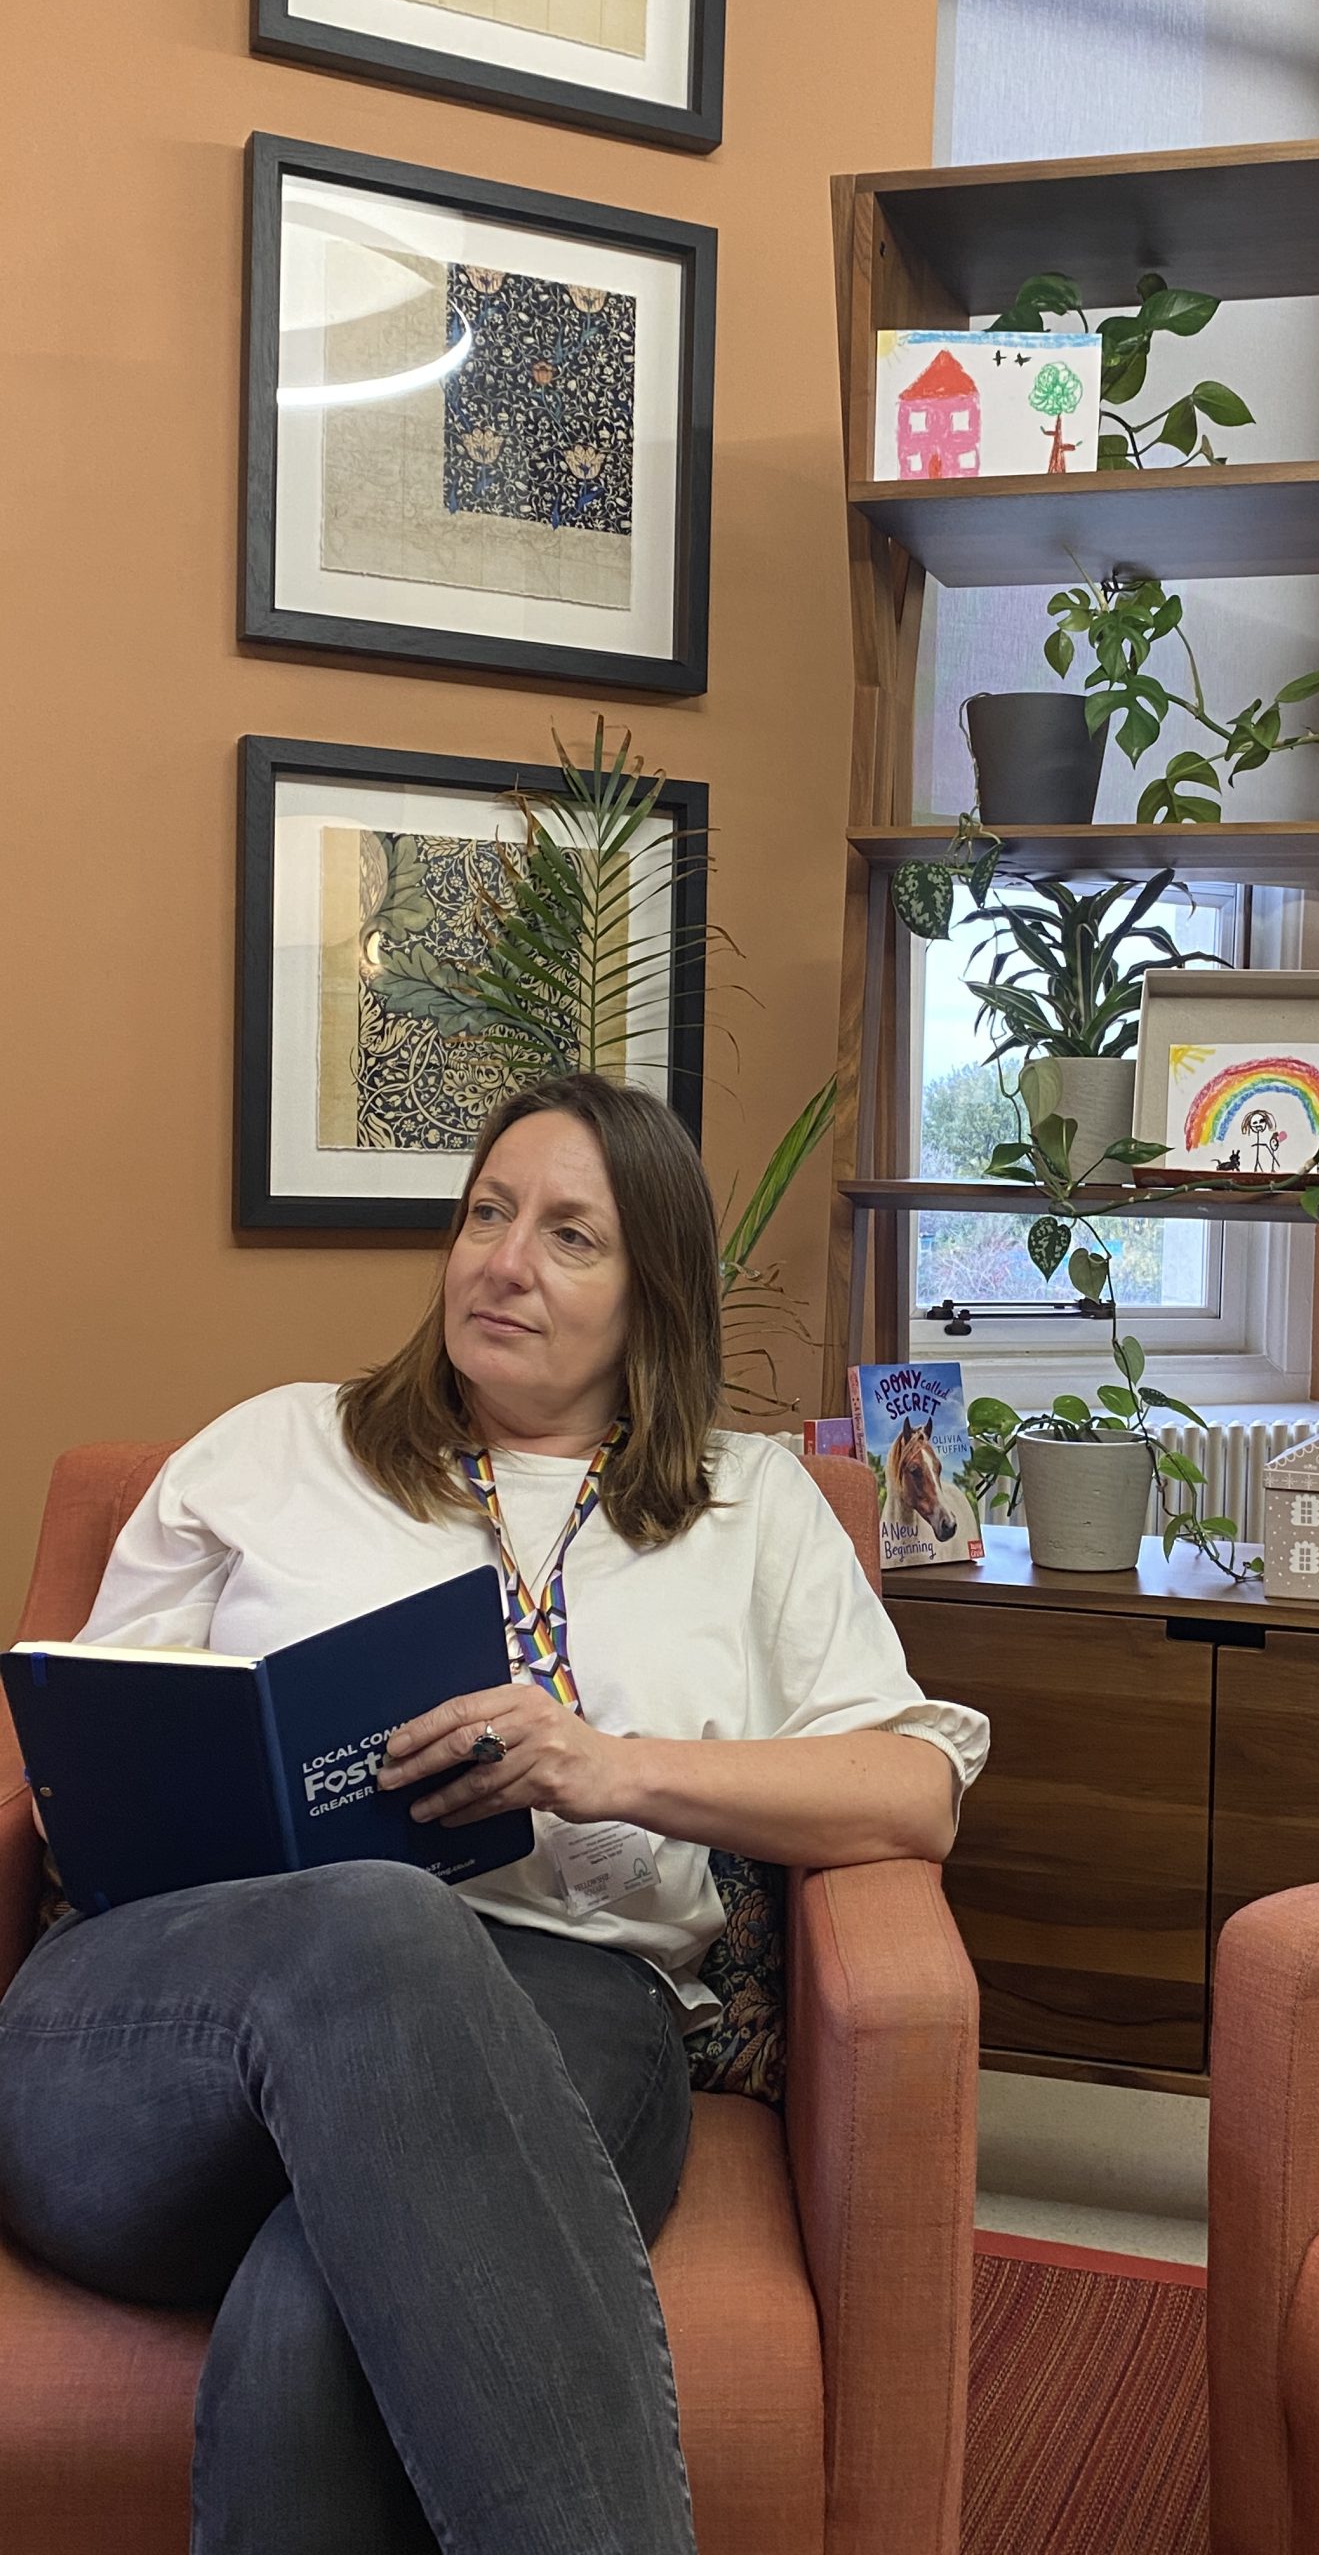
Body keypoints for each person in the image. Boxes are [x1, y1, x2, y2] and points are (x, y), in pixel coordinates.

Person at [0, 1074, 988, 2555]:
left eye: (570, 1236)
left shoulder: (752, 1505)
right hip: (159, 2034)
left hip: (568, 2011)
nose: (505, 1262)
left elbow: (913, 1789)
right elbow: (93, 1739)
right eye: (486, 1215)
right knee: (374, 1918)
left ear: (655, 1293)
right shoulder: (271, 1449)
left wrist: (607, 1767)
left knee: (318, 2310)